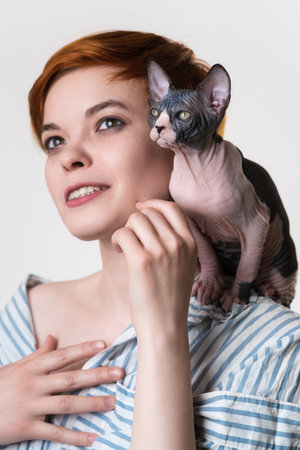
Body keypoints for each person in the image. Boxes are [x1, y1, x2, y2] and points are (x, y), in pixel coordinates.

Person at [0, 30, 299, 450]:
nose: (70, 157)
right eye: (54, 141)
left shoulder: (274, 350)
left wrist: (162, 338)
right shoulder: (18, 319)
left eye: (108, 122)